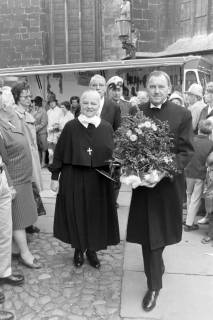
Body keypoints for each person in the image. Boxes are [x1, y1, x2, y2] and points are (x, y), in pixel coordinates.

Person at [126, 70, 194, 312]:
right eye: (151, 86)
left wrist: (162, 172)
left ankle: (156, 265)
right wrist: (134, 170)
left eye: (160, 87)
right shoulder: (136, 111)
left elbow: (186, 152)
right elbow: (128, 146)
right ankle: (154, 284)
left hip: (167, 185)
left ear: (168, 89)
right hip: (144, 187)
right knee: (148, 236)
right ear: (146, 88)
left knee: (161, 233)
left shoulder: (182, 114)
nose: (155, 91)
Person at [49, 90, 120, 269]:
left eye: (93, 103)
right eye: (86, 103)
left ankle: (92, 250)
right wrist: (55, 176)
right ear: (80, 104)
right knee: (76, 213)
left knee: (96, 216)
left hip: (99, 180)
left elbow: (114, 155)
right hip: (74, 177)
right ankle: (79, 249)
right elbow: (59, 152)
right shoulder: (71, 127)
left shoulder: (106, 127)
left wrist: (117, 172)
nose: (89, 106)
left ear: (99, 106)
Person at [0, 86, 41, 269]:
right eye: (10, 104)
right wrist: (9, 184)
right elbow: (1, 161)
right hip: (14, 180)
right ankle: (24, 253)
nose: (12, 107)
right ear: (3, 107)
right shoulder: (1, 127)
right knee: (18, 218)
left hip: (23, 178)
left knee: (22, 217)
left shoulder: (8, 122)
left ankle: (16, 249)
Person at [11, 83, 45, 232]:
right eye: (25, 96)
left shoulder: (26, 113)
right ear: (17, 97)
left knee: (32, 190)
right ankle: (25, 223)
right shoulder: (15, 114)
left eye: (29, 96)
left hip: (32, 155)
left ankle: (29, 221)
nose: (29, 99)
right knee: (26, 191)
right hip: (24, 158)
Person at [90, 74, 121, 207]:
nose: (97, 88)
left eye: (100, 85)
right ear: (89, 87)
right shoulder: (84, 105)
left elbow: (118, 132)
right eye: (94, 85)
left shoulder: (114, 107)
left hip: (107, 155)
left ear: (105, 88)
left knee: (109, 187)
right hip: (88, 154)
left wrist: (116, 155)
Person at [184, 120, 213, 231]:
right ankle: (189, 224)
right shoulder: (211, 144)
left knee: (188, 195)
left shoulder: (191, 140)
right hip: (200, 173)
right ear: (210, 132)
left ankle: (188, 219)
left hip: (188, 171)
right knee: (196, 199)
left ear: (199, 129)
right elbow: (210, 161)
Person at [201, 152, 213, 243]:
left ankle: (210, 235)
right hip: (210, 197)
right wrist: (205, 190)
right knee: (211, 216)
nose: (209, 168)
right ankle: (210, 233)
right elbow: (206, 183)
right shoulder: (209, 171)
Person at [47, 95, 63, 164]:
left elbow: (61, 122)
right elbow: (47, 123)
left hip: (57, 133)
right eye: (50, 102)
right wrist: (49, 129)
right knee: (50, 152)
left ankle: (56, 164)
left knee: (57, 151)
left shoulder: (60, 111)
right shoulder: (48, 112)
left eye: (53, 102)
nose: (51, 103)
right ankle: (51, 164)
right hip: (50, 134)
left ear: (55, 102)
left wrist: (56, 127)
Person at [33, 96, 48, 168]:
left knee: (43, 148)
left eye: (34, 102)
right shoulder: (34, 110)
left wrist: (35, 128)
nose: (33, 103)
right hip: (35, 132)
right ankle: (39, 162)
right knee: (38, 148)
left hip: (42, 132)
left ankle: (43, 162)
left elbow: (44, 123)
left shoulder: (43, 111)